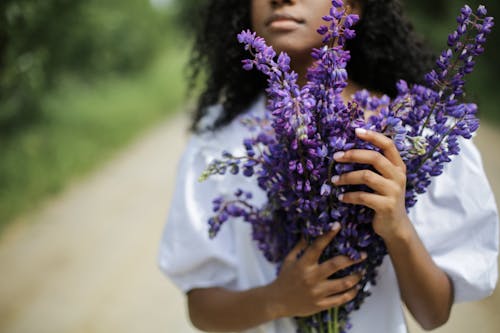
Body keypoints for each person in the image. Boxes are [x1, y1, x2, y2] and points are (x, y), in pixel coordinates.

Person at [158, 0, 499, 332]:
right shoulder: (218, 141)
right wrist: (277, 299)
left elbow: (434, 315)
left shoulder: (419, 132)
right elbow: (201, 309)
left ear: (353, 6)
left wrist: (398, 228)